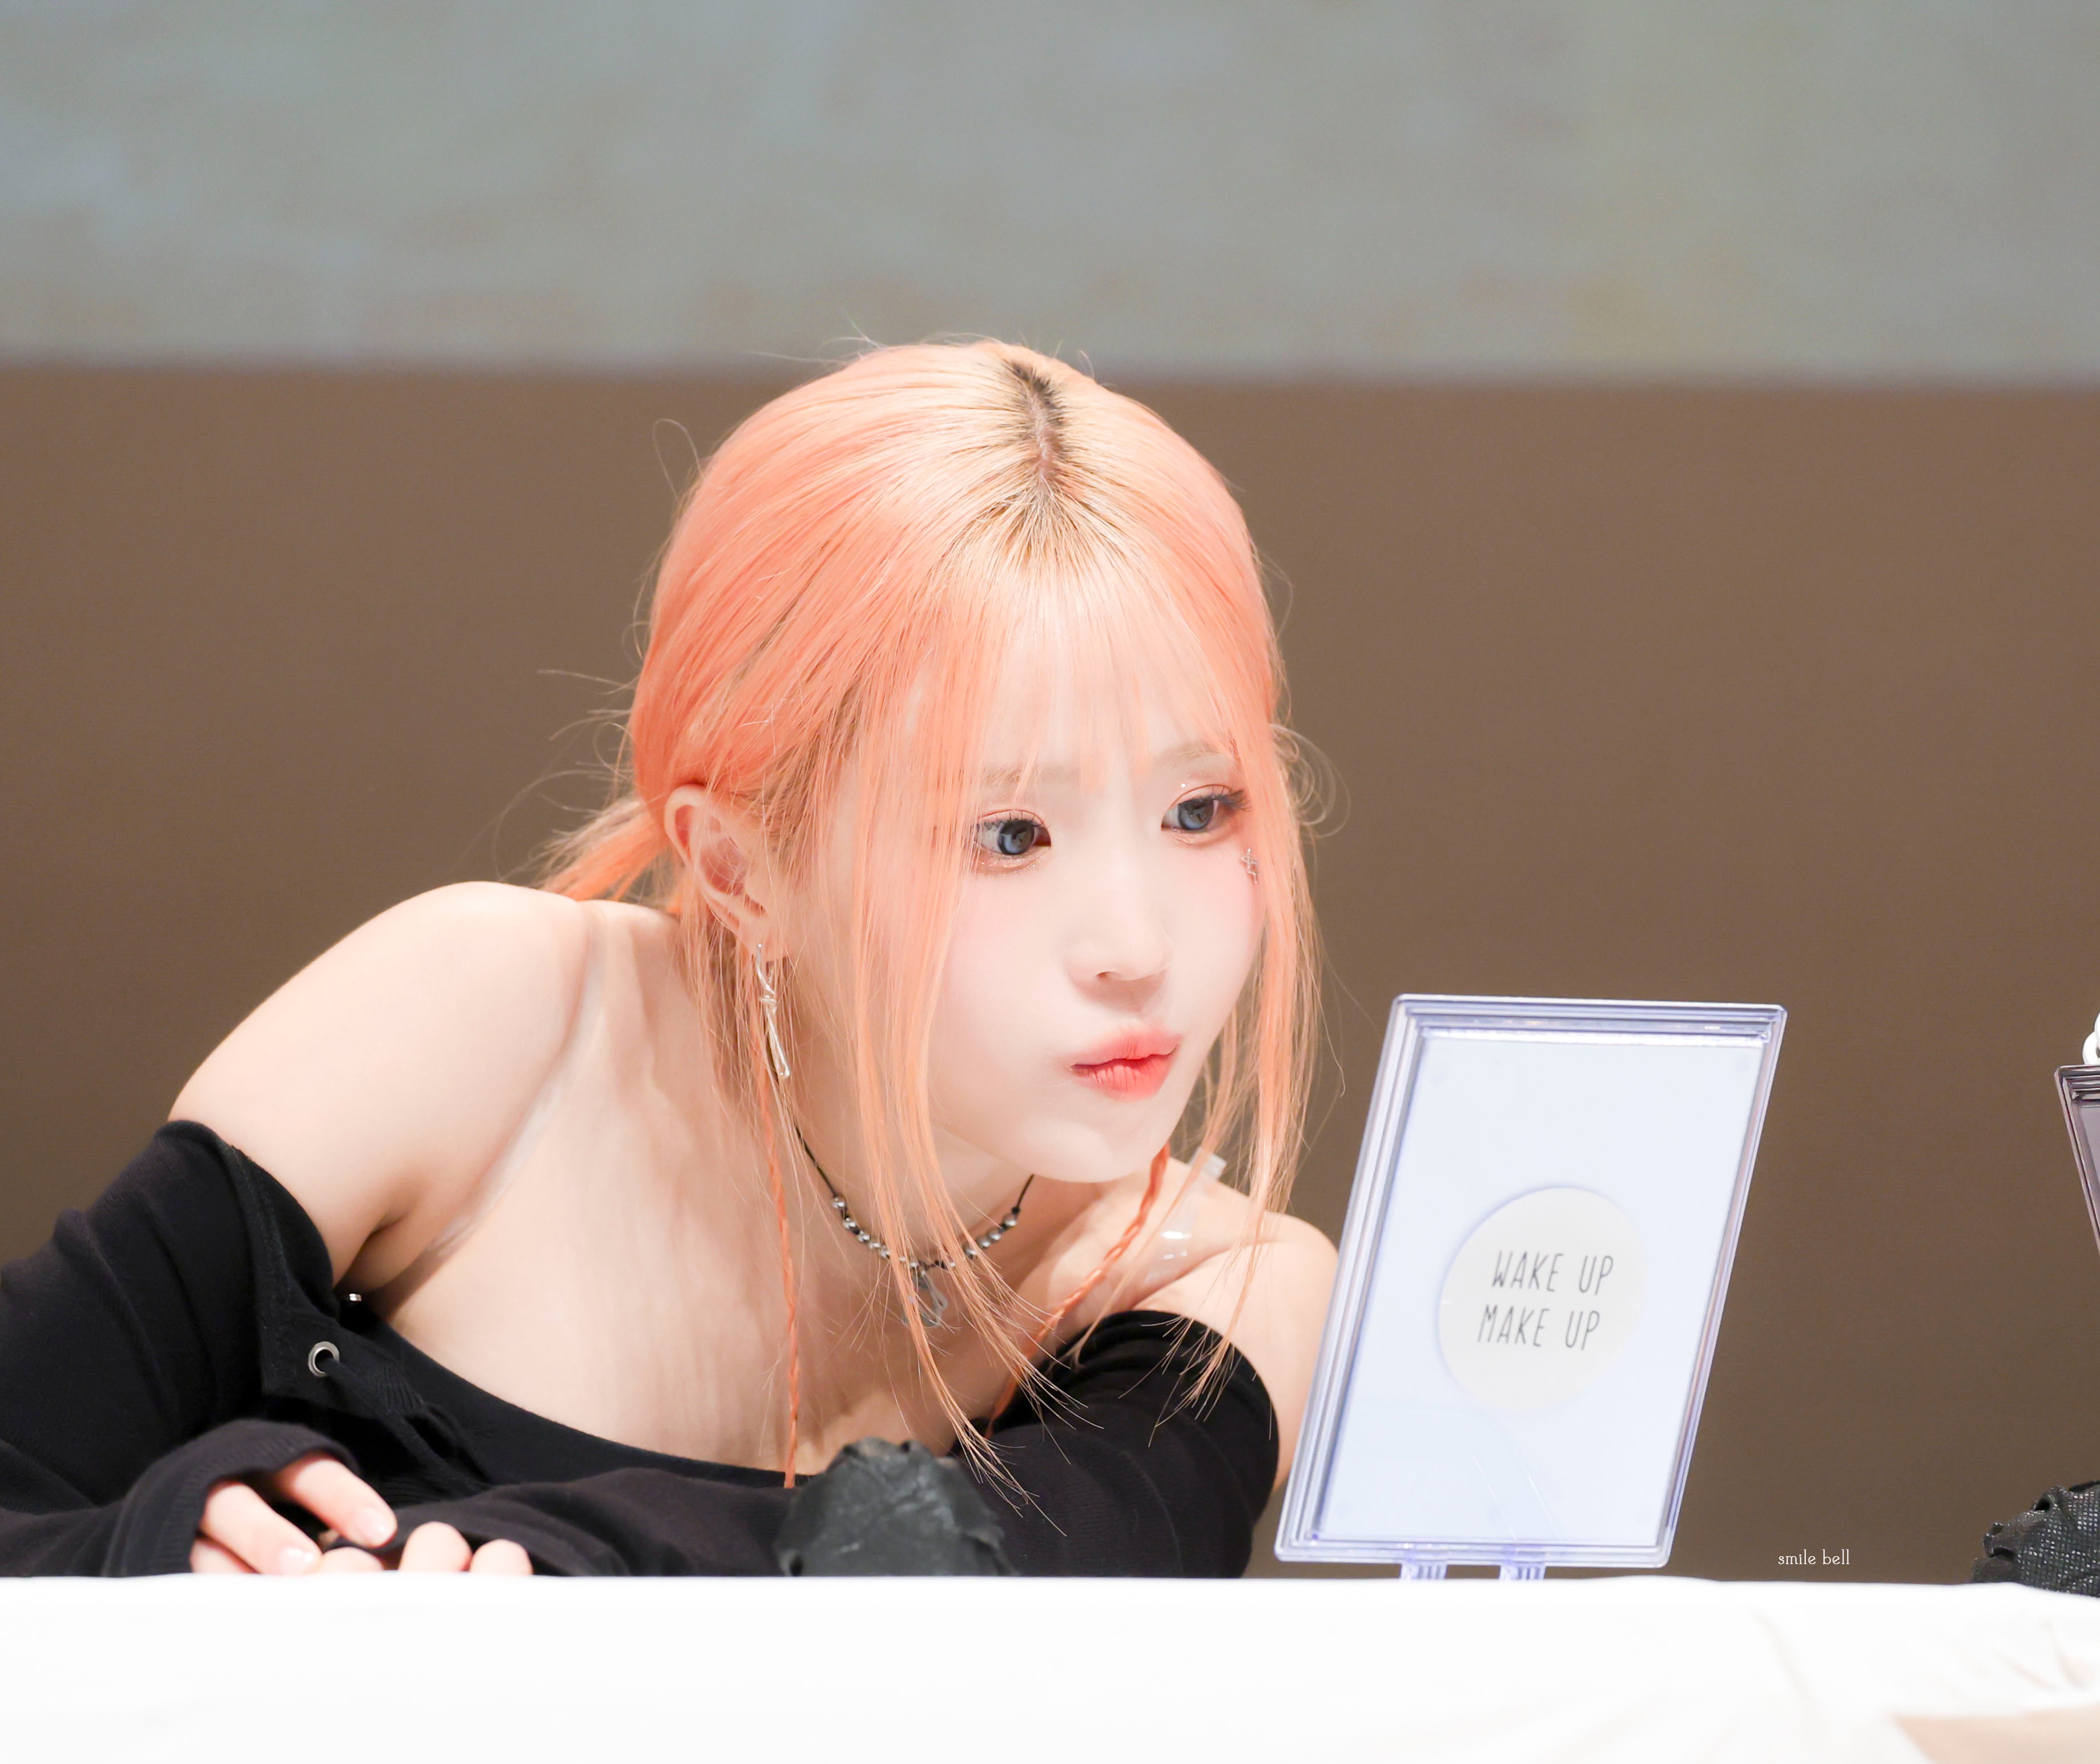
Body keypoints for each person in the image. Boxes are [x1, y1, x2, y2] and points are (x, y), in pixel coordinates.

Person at [0, 341, 1337, 1577]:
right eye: (1010, 834)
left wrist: (517, 1560)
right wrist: (159, 1547)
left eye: (1199, 811)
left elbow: (971, 1603)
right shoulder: (488, 1025)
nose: (1136, 948)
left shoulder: (1221, 1282)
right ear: (743, 871)